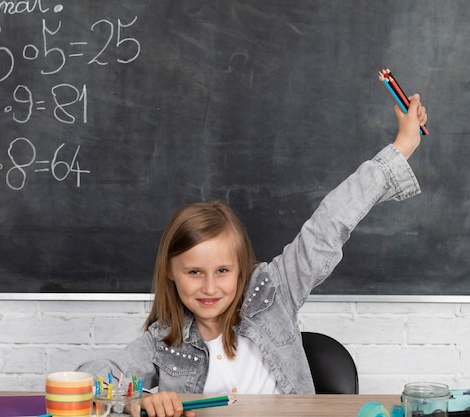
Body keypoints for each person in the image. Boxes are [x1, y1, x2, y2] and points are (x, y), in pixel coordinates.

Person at [77, 94, 428, 417]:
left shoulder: (274, 291)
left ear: (242, 269)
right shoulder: (164, 340)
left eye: (223, 270)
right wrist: (139, 398)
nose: (210, 287)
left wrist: (404, 144)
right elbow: (90, 380)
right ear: (170, 271)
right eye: (194, 272)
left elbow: (330, 222)